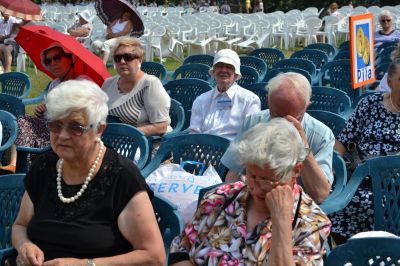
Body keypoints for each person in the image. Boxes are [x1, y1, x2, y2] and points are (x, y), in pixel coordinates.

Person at [12, 79, 165, 265]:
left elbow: (154, 257)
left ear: (99, 130)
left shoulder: (122, 176)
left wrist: (86, 264)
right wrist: (25, 245)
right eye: (55, 125)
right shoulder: (45, 167)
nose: (63, 135)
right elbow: (20, 225)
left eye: (76, 127)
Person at [169, 119, 332, 265]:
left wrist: (281, 219)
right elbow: (181, 249)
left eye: (268, 180)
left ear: (296, 171)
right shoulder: (221, 197)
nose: (256, 188)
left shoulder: (311, 223)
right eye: (252, 176)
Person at [221, 72, 334, 204]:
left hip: (294, 205)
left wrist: (304, 147)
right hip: (253, 200)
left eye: (292, 118)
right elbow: (233, 173)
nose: (282, 123)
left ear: (307, 106)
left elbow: (320, 195)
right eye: (276, 115)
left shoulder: (321, 135)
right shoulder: (253, 122)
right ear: (268, 99)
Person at [331, 59, 400, 243]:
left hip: (395, 184)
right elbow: (343, 141)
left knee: (377, 204)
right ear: (390, 81)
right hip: (361, 177)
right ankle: (351, 253)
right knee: (335, 199)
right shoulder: (369, 104)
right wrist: (333, 169)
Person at [1, 44, 92, 173]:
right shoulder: (55, 83)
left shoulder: (83, 82)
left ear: (70, 59)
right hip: (48, 125)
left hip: (67, 129)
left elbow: (82, 113)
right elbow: (48, 107)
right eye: (48, 61)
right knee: (21, 120)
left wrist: (54, 110)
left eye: (57, 58)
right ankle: (15, 164)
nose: (53, 63)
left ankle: (32, 165)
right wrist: (42, 109)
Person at [102, 37, 171, 137]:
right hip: (112, 140)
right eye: (117, 58)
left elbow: (161, 126)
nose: (122, 61)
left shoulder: (150, 84)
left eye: (128, 57)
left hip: (144, 142)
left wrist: (124, 133)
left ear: (140, 59)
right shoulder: (108, 83)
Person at [189, 49, 261, 141]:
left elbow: (251, 135)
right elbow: (194, 133)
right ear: (214, 72)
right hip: (202, 151)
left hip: (234, 151)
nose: (223, 70)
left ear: (236, 74)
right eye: (219, 66)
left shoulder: (250, 100)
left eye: (229, 66)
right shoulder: (201, 100)